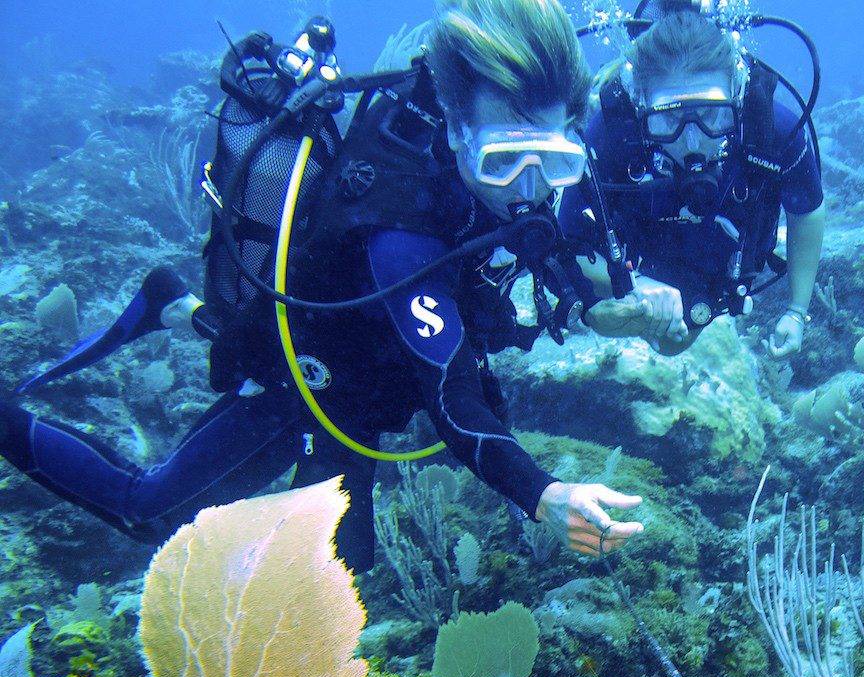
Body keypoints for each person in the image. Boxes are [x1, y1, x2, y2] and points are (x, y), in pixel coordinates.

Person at [0, 0, 642, 571]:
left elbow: (570, 259)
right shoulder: (401, 237)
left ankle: (178, 306)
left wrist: (619, 300)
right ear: (454, 134)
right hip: (312, 378)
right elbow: (450, 395)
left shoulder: (530, 188)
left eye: (552, 162)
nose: (530, 190)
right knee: (151, 511)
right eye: (504, 161)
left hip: (379, 369)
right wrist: (544, 495)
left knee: (344, 564)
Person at [562, 0, 825, 357]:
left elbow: (806, 209)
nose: (691, 141)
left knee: (674, 341)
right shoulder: (612, 134)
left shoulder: (773, 130)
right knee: (665, 340)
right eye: (668, 120)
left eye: (711, 115)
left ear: (737, 94)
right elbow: (569, 240)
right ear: (641, 107)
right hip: (641, 273)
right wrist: (631, 285)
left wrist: (797, 311)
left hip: (726, 274)